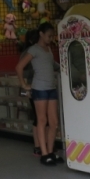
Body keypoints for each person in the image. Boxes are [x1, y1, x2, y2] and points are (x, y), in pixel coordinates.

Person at [16, 22, 60, 166]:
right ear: (41, 34)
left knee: (53, 122)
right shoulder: (34, 49)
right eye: (49, 35)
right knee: (42, 120)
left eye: (52, 36)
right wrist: (24, 85)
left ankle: (51, 150)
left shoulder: (49, 49)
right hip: (39, 89)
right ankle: (44, 153)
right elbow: (19, 67)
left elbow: (53, 65)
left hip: (51, 88)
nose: (50, 38)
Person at [19, 29, 41, 156]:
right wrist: (25, 86)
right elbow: (22, 69)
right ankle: (38, 146)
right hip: (33, 88)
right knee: (38, 118)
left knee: (40, 118)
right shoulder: (29, 52)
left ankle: (42, 145)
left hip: (38, 87)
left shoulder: (40, 50)